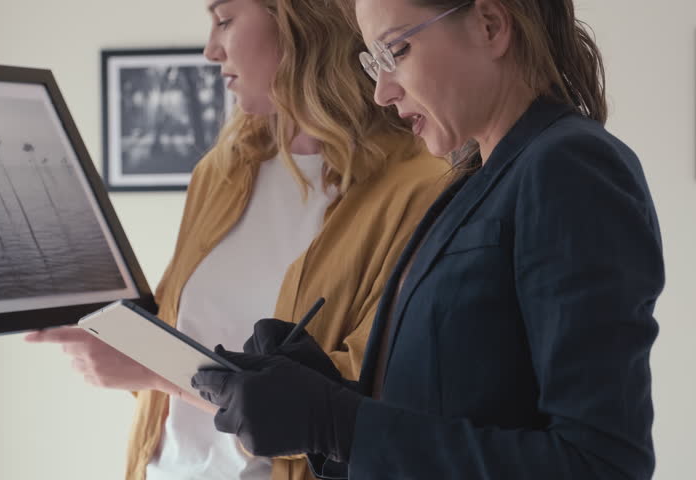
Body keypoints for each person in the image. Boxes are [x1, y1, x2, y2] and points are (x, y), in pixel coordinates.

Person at [192, 0, 665, 478]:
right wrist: (326, 389)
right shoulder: (475, 179)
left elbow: (601, 465)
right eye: (372, 62)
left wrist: (338, 422)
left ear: (490, 25)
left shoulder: (569, 165)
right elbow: (455, 407)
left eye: (396, 51)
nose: (381, 92)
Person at [26, 0, 451, 479]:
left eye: (224, 20)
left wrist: (153, 370)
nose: (211, 50)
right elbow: (181, 339)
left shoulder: (420, 186)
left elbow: (367, 399)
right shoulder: (221, 173)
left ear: (302, 22)